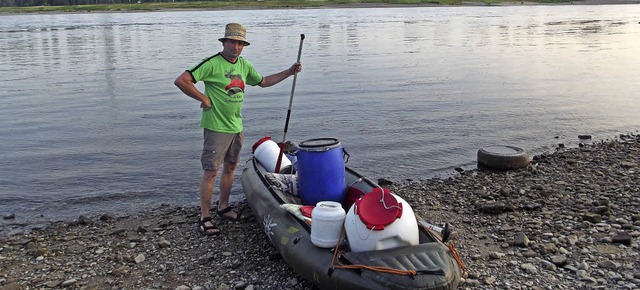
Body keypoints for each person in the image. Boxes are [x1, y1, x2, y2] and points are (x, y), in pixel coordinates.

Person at [174, 23, 302, 236]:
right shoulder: (212, 63)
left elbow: (263, 82)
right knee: (211, 171)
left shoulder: (243, 65)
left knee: (231, 166)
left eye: (240, 43)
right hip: (216, 127)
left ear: (244, 46)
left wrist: (289, 72)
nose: (235, 46)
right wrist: (203, 98)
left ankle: (223, 206)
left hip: (236, 125)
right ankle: (204, 217)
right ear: (224, 42)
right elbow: (182, 80)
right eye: (232, 42)